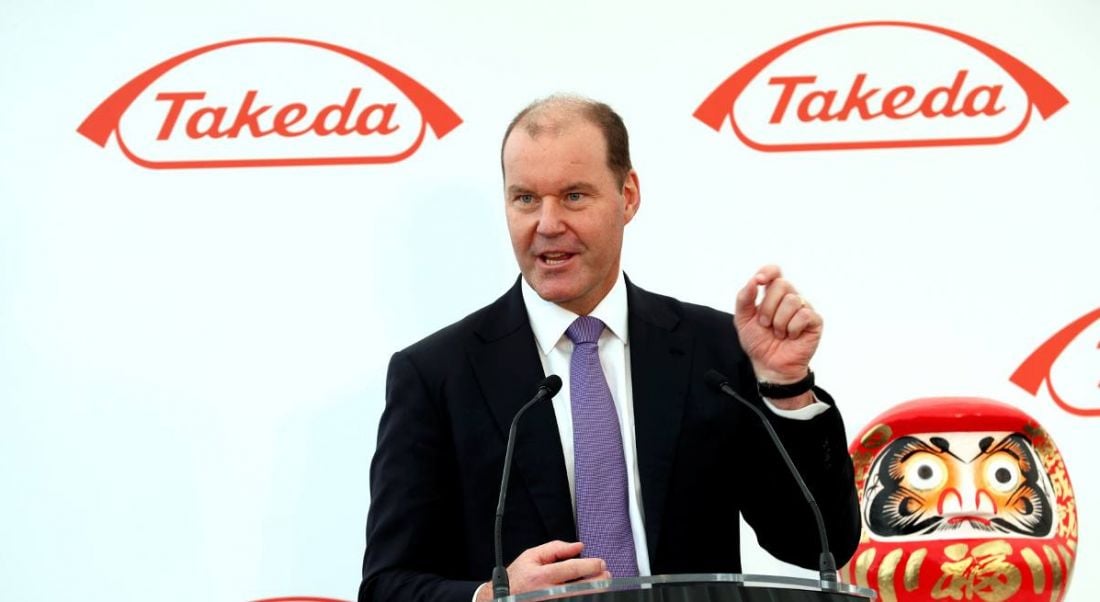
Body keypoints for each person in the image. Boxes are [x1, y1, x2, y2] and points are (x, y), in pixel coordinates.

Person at [358, 96, 860, 602]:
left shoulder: (712, 351)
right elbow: (386, 586)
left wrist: (787, 389)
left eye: (574, 196)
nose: (547, 224)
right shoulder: (436, 375)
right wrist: (494, 596)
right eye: (526, 199)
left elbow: (819, 544)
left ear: (628, 195)